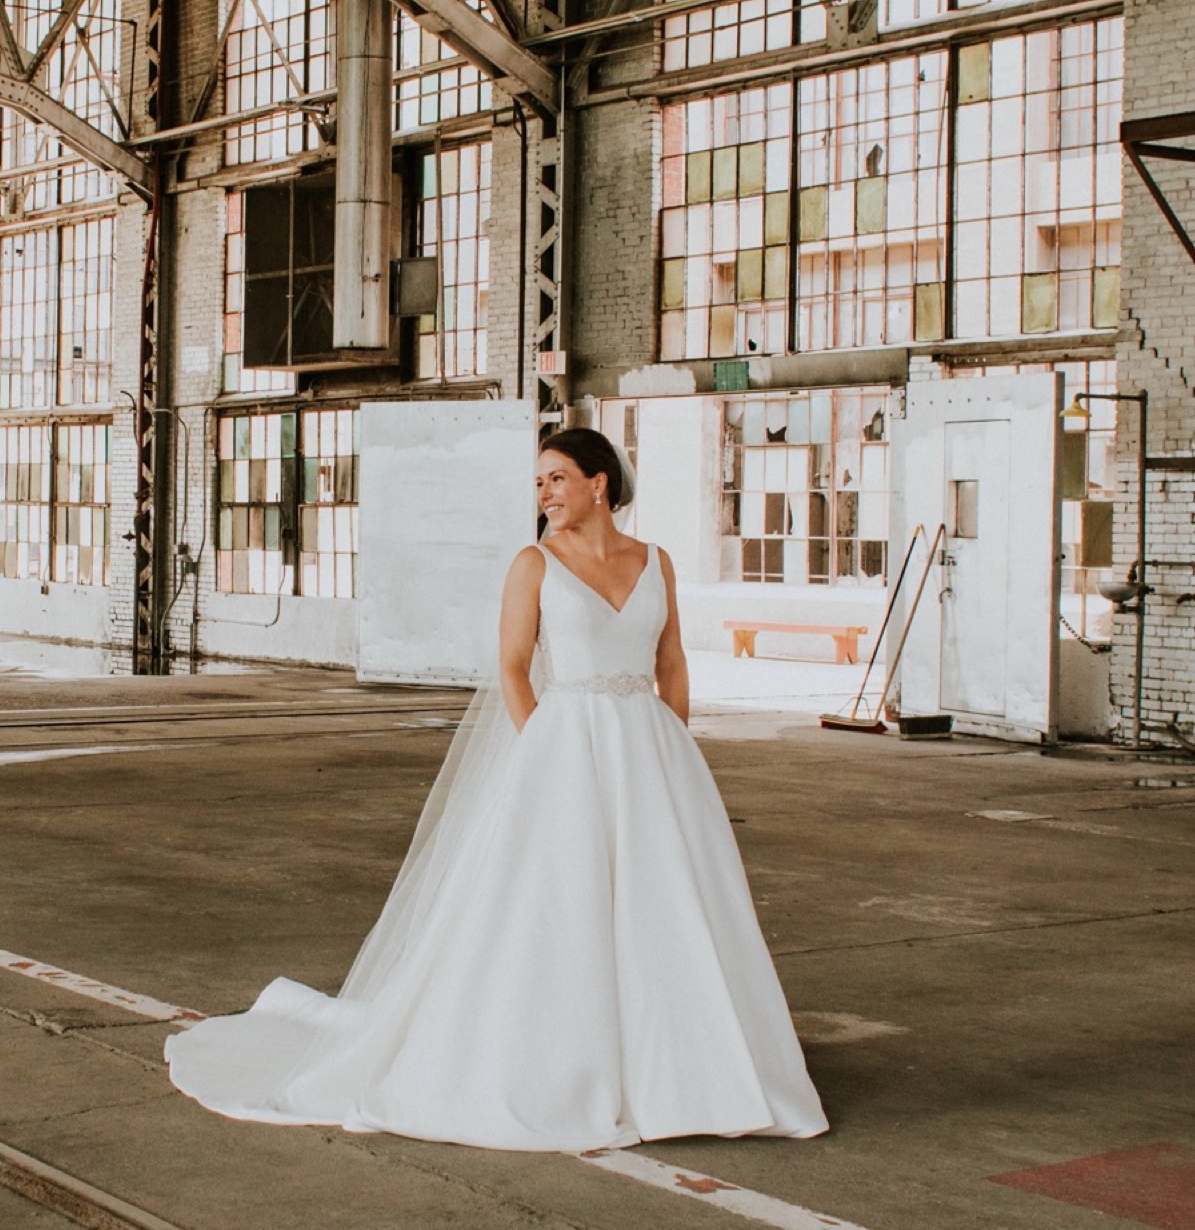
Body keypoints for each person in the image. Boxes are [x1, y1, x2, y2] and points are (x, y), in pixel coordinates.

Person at [165, 427, 828, 1151]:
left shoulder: (656, 562)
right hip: (562, 743)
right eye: (538, 483)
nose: (543, 495)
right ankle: (563, 1064)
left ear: (599, 483)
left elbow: (671, 661)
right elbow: (513, 666)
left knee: (664, 903)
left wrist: (669, 743)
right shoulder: (534, 564)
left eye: (556, 479)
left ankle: (681, 1067)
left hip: (651, 752)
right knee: (559, 908)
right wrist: (544, 745)